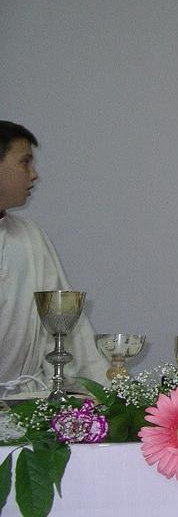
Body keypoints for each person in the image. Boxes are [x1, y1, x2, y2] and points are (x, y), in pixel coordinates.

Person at [0, 121, 108, 396]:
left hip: (20, 402)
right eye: (25, 162)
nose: (34, 175)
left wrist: (106, 392)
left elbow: (66, 328)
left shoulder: (29, 238)